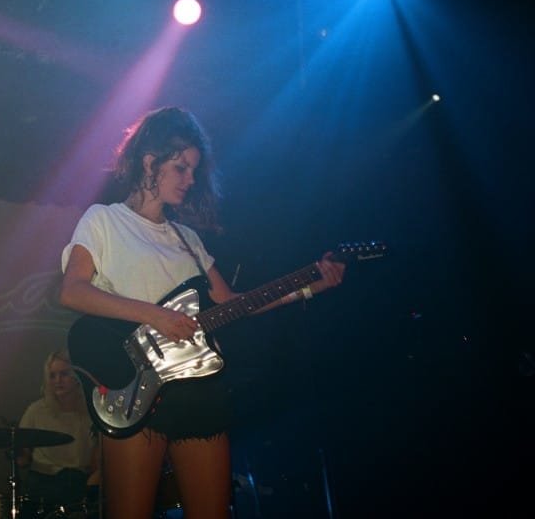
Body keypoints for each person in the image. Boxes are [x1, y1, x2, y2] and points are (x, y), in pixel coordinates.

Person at [58, 106, 346, 519]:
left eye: (194, 170)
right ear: (149, 162)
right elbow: (73, 291)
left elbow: (232, 303)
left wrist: (307, 286)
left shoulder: (187, 238)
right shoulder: (103, 220)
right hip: (136, 386)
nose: (191, 180)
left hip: (199, 390)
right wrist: (155, 316)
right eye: (181, 168)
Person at [17, 349, 99, 513]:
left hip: (79, 485)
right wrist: (18, 452)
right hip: (42, 484)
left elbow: (97, 463)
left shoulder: (93, 412)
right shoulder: (36, 410)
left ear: (77, 377)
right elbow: (22, 459)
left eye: (64, 374)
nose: (57, 380)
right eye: (52, 376)